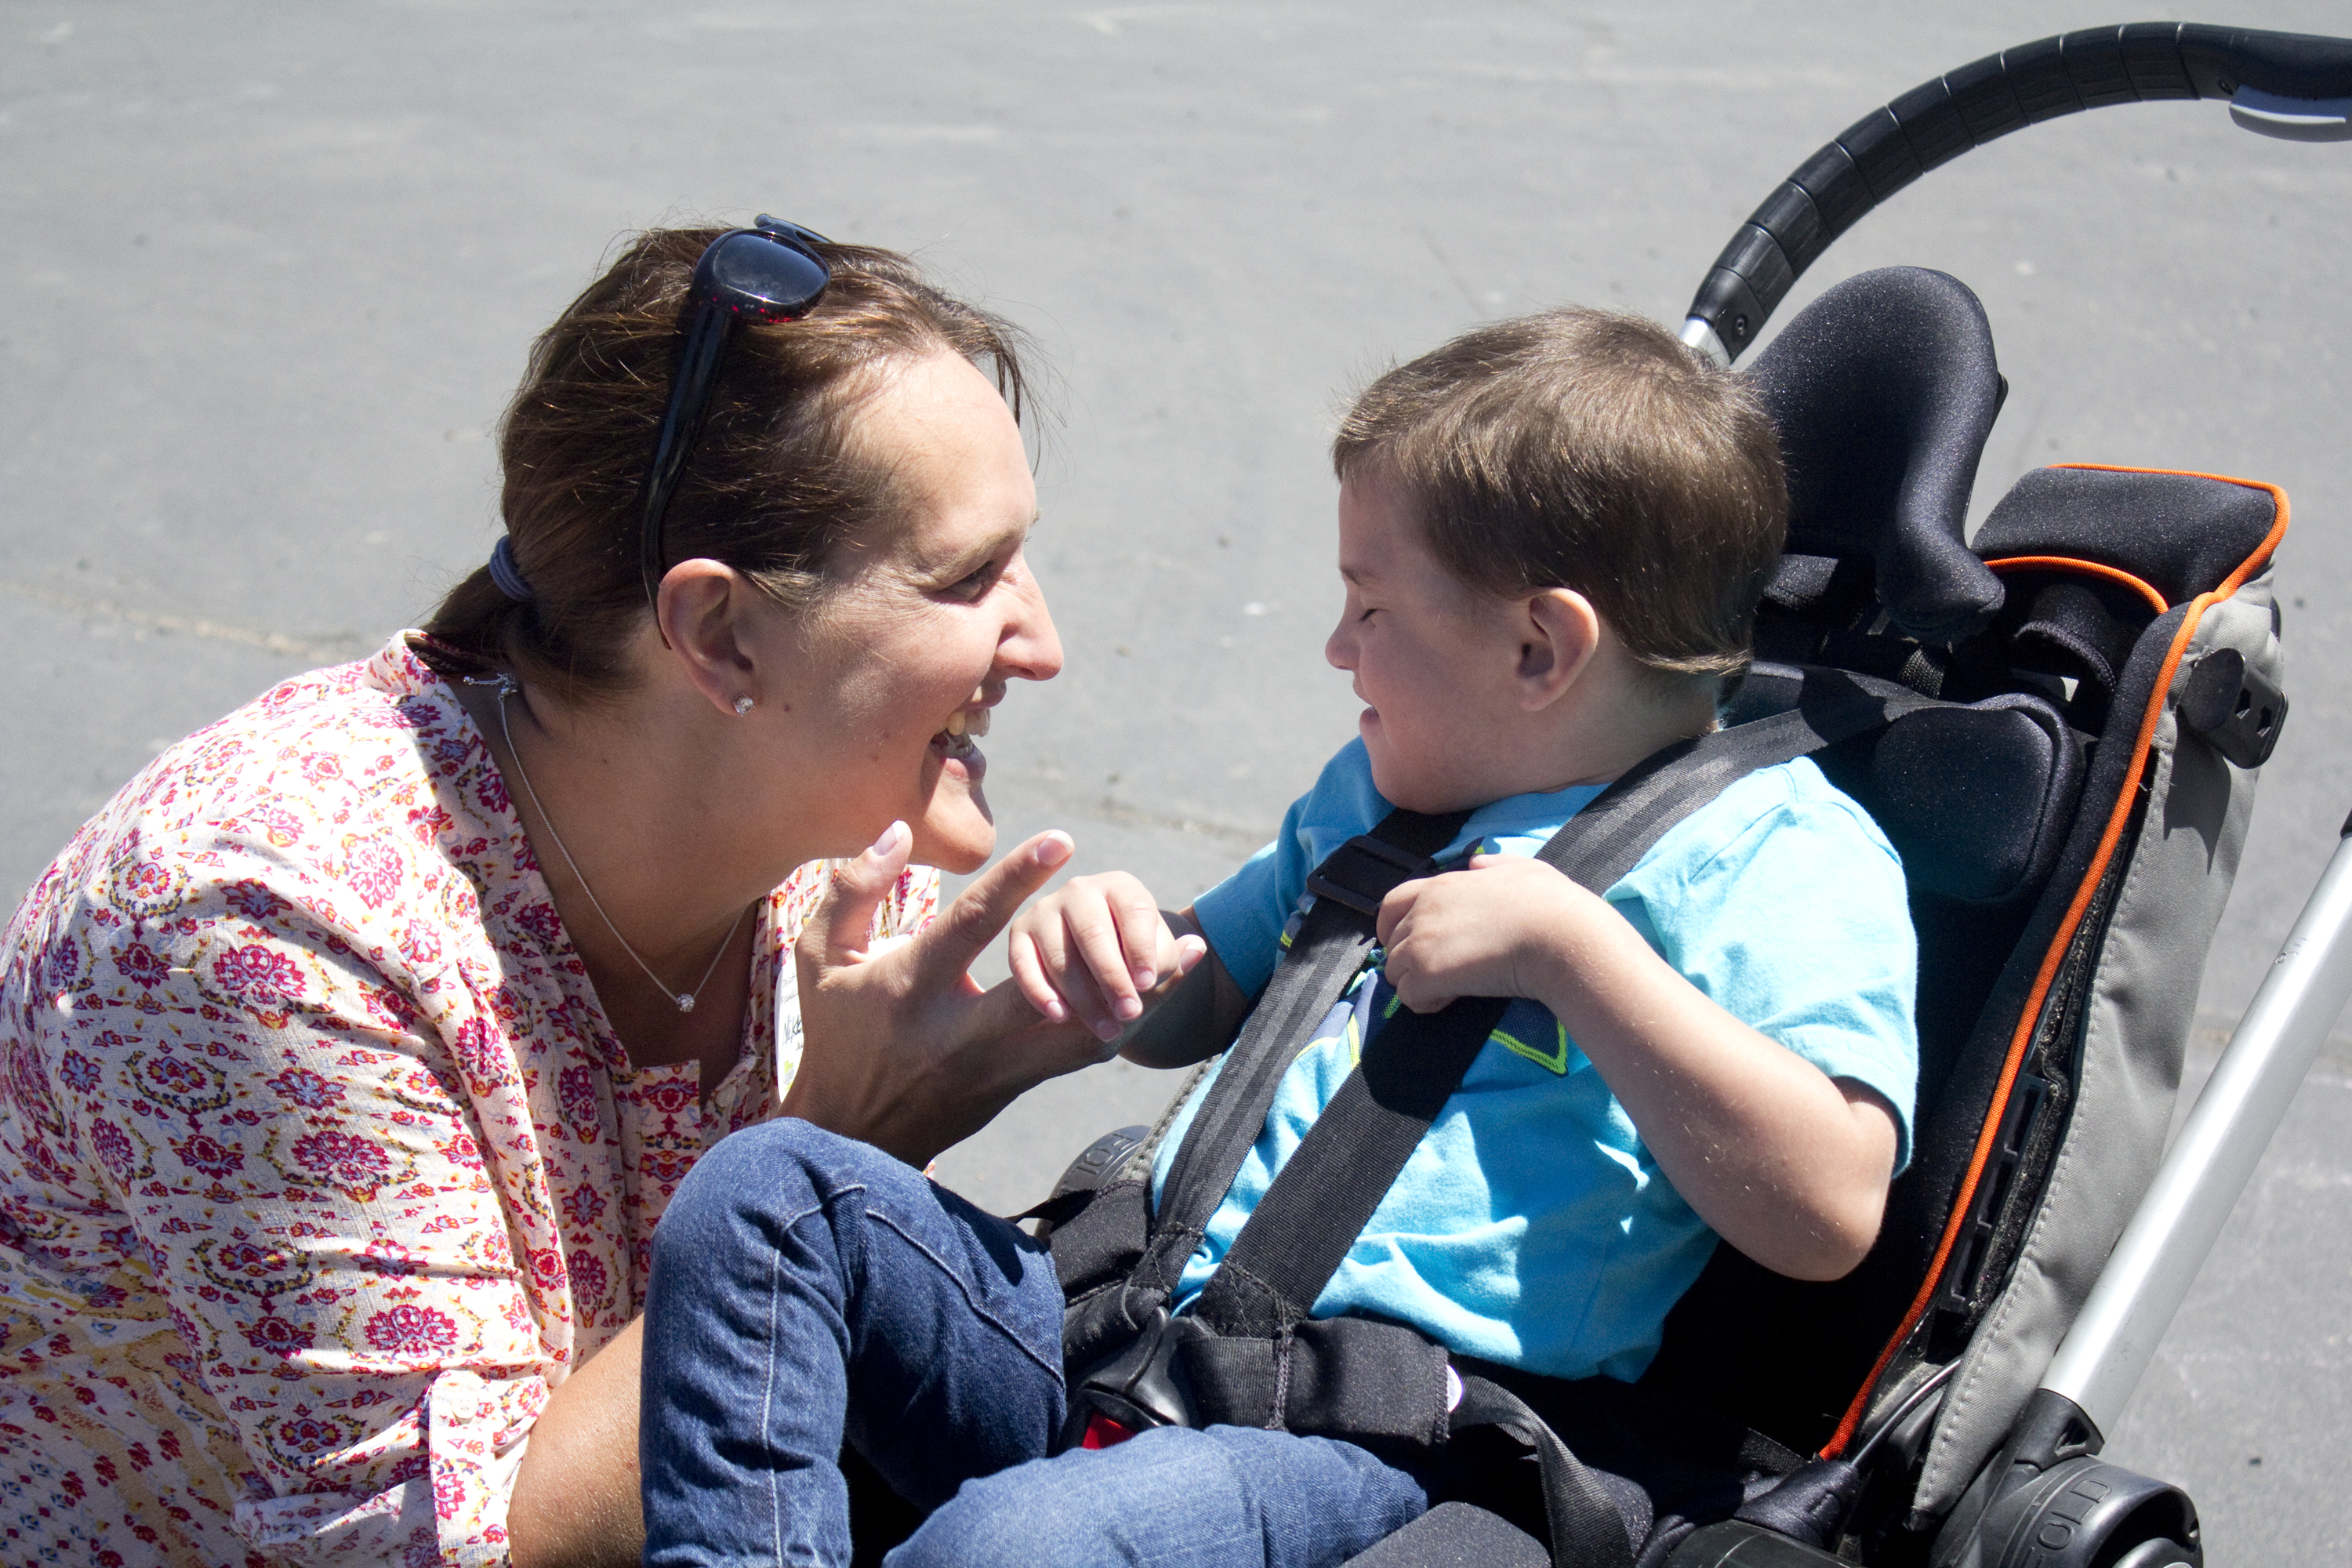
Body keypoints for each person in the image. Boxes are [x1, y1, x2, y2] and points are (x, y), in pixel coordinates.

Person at [638, 307, 1920, 1566]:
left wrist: (1575, 958)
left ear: (1540, 647)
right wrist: (1126, 949)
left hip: (1387, 1452)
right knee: (770, 1196)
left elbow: (1828, 1208)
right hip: (1122, 1334)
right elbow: (1199, 995)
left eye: (1370, 610)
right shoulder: (1380, 797)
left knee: (1021, 1542)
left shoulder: (1777, 859)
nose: (1333, 647)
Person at [0, 221, 1161, 1567]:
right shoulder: (260, 928)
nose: (1045, 641)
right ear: (720, 636)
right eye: (968, 576)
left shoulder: (831, 850)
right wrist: (837, 1153)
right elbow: (457, 1551)